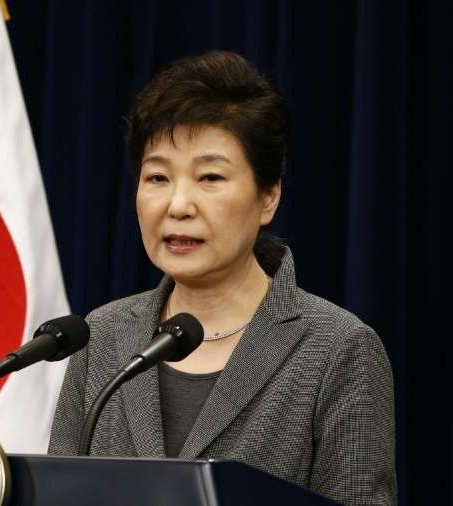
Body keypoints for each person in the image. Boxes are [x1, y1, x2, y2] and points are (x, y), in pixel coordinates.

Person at [48, 50, 396, 505]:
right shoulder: (102, 338)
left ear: (268, 197)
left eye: (210, 177)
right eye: (157, 178)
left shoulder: (337, 349)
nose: (178, 205)